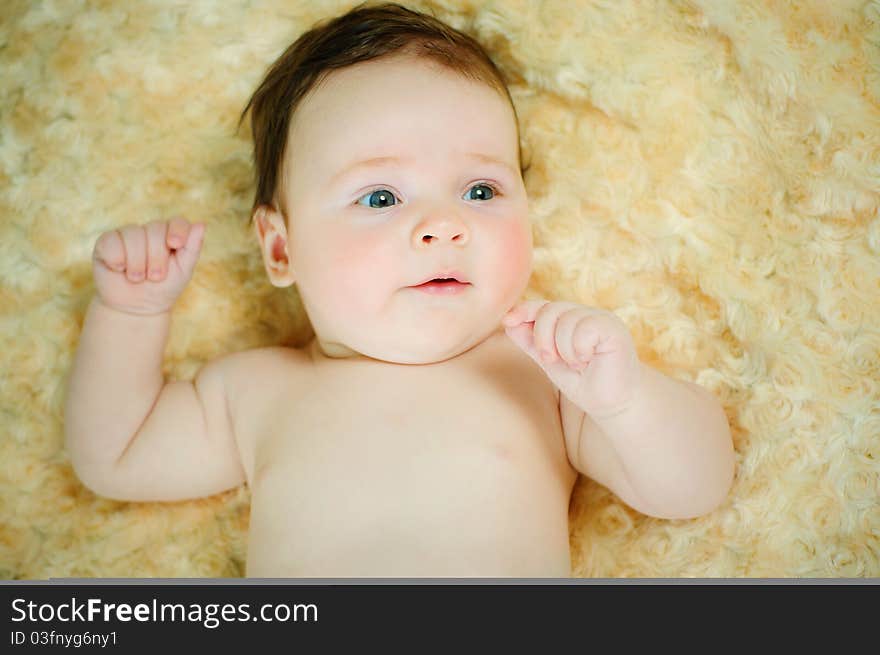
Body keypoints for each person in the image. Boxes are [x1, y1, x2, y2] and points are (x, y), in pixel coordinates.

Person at [64, 2, 735, 577]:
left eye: (481, 190)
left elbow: (696, 486)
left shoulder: (542, 378)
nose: (444, 225)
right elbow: (119, 454)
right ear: (280, 247)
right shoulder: (256, 391)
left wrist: (626, 402)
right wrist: (131, 312)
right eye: (380, 196)